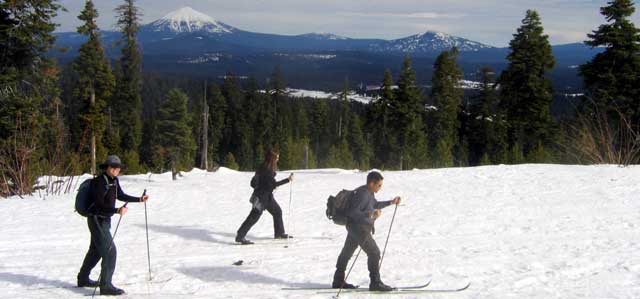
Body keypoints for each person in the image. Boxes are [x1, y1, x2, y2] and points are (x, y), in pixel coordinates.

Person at [77, 155, 150, 296]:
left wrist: (139, 199)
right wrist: (117, 210)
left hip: (105, 220)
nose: (116, 170)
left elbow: (120, 196)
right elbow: (98, 205)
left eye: (118, 168)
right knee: (110, 251)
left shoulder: (114, 181)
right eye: (113, 167)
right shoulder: (98, 182)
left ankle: (83, 278)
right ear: (107, 167)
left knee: (96, 250)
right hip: (97, 219)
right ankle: (106, 286)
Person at [332, 171, 400, 291]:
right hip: (358, 228)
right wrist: (371, 214)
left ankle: (338, 280)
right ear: (371, 183)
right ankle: (375, 282)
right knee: (374, 253)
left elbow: (375, 204)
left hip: (355, 227)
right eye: (379, 185)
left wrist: (391, 202)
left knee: (347, 253)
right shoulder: (362, 194)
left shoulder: (369, 193)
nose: (380, 187)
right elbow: (352, 212)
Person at [235, 150, 294, 245]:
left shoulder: (264, 167)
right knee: (253, 217)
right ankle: (240, 236)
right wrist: (288, 180)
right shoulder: (267, 170)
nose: (278, 160)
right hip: (261, 198)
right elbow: (273, 184)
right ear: (272, 159)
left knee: (277, 212)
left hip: (267, 197)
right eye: (277, 158)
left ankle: (279, 233)